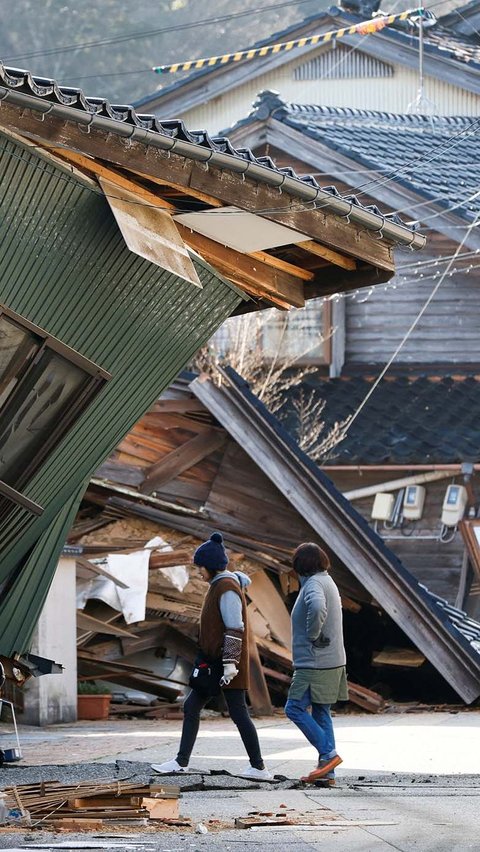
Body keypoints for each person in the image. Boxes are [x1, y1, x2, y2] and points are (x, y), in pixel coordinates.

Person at [151, 532, 272, 780]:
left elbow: (234, 627)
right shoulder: (221, 585)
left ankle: (259, 767)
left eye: (200, 567)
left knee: (238, 713)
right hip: (214, 662)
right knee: (193, 706)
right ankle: (181, 761)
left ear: (211, 566)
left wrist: (229, 664)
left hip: (226, 665)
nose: (198, 572)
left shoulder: (226, 588)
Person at [284, 542, 347, 784]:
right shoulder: (327, 580)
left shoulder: (313, 584)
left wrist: (312, 634)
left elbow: (317, 606)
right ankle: (327, 772)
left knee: (294, 708)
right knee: (321, 711)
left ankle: (329, 755)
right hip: (332, 660)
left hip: (314, 662)